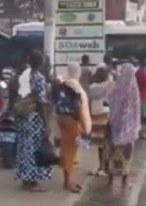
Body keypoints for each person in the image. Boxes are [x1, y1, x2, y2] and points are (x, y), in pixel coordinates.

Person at [14, 50, 53, 192]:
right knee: (33, 149)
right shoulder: (39, 78)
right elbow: (41, 102)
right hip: (34, 117)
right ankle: (30, 181)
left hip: (23, 116)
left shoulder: (24, 76)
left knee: (24, 148)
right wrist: (46, 124)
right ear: (41, 62)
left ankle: (25, 178)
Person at [56, 63, 92, 193]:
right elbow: (78, 107)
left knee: (66, 149)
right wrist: (84, 125)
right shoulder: (75, 86)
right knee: (70, 151)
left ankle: (68, 179)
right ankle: (67, 182)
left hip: (61, 120)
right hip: (72, 121)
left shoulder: (63, 83)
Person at [106, 62, 141, 188]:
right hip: (130, 128)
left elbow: (108, 101)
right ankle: (124, 180)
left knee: (113, 151)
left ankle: (110, 178)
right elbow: (137, 110)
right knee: (127, 153)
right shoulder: (134, 90)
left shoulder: (116, 88)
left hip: (115, 125)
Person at [87, 64, 113, 176]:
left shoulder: (92, 87)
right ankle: (106, 167)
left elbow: (89, 102)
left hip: (95, 116)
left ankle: (100, 166)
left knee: (99, 144)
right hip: (106, 114)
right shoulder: (109, 86)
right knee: (107, 142)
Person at [135, 58, 146, 140]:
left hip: (138, 96)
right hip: (143, 96)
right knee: (143, 116)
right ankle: (142, 133)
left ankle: (139, 132)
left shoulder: (137, 72)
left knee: (139, 115)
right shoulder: (143, 73)